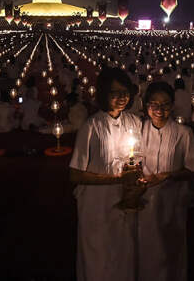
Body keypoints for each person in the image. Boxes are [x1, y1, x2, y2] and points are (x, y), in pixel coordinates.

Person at [69, 67, 142, 281]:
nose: (121, 98)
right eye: (114, 93)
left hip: (125, 198)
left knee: (123, 251)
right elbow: (75, 174)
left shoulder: (134, 122)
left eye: (125, 92)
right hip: (96, 203)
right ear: (103, 94)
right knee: (98, 254)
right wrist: (116, 179)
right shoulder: (91, 127)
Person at [138, 81, 194, 281]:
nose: (160, 110)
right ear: (146, 105)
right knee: (147, 246)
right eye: (154, 104)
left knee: (170, 247)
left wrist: (167, 175)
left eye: (165, 104)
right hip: (145, 199)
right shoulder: (139, 130)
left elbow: (193, 170)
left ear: (173, 105)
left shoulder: (183, 134)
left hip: (172, 200)